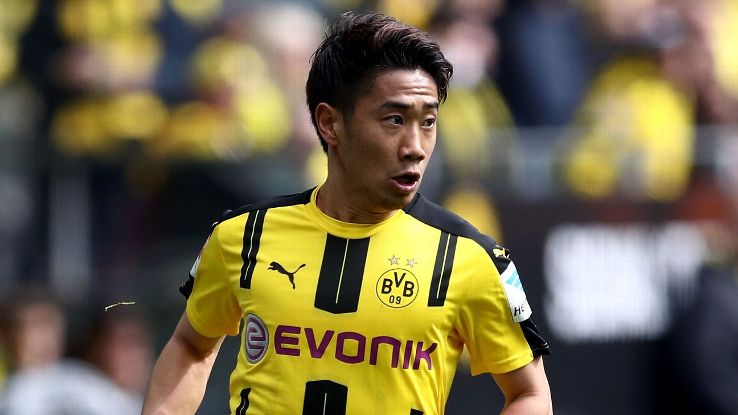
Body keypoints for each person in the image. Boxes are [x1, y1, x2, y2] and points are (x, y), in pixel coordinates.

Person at [142, 11, 552, 414]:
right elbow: (191, 345)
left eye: (428, 122)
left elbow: (529, 394)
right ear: (330, 124)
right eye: (394, 119)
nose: (415, 147)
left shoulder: (471, 257)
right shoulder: (243, 235)